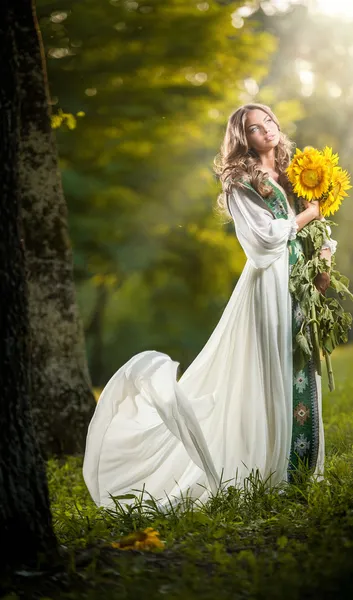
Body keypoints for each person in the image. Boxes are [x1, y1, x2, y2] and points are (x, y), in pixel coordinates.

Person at [83, 103, 337, 509]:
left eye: (268, 121)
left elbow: (319, 225)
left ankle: (304, 472)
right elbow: (263, 243)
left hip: (299, 283)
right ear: (243, 139)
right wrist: (307, 216)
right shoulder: (241, 183)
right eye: (254, 128)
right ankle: (274, 473)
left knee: (298, 363)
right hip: (267, 288)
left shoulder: (296, 173)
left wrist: (323, 260)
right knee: (271, 369)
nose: (266, 130)